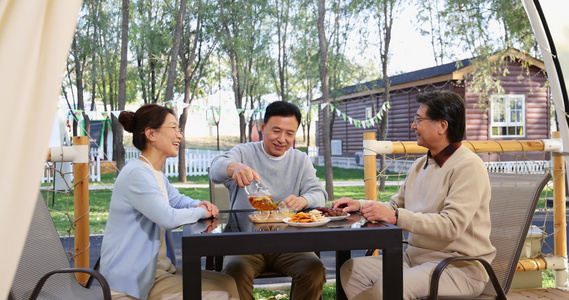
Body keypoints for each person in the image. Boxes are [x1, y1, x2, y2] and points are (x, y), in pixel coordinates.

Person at [333, 90, 496, 299]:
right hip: (414, 259)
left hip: (457, 268)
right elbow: (394, 206)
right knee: (351, 270)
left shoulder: (468, 166)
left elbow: (451, 226)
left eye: (419, 120)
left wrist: (397, 217)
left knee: (387, 288)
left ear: (442, 126)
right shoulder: (421, 164)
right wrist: (359, 205)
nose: (413, 126)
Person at [100, 104, 239, 300]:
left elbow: (177, 200)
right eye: (173, 128)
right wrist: (202, 212)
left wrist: (200, 204)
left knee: (228, 282)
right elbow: (167, 217)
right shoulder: (137, 173)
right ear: (151, 134)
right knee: (222, 293)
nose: (179, 135)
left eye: (179, 129)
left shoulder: (154, 173)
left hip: (158, 273)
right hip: (131, 282)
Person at [209, 100, 328, 300]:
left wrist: (304, 200)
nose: (282, 139)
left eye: (289, 133)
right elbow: (215, 169)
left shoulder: (300, 160)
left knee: (314, 269)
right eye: (276, 131)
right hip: (245, 244)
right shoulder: (244, 152)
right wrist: (234, 167)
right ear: (263, 127)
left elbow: (320, 193)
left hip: (290, 244)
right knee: (235, 270)